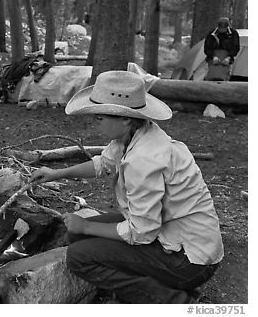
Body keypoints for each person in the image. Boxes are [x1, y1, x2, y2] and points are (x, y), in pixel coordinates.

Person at [30, 70, 224, 303]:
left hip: (189, 260)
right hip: (168, 234)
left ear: (125, 118)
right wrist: (56, 174)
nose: (96, 120)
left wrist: (85, 227)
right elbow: (104, 163)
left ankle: (175, 301)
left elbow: (141, 232)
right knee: (77, 235)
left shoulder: (143, 159)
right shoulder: (135, 133)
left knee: (78, 256)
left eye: (101, 115)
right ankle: (146, 283)